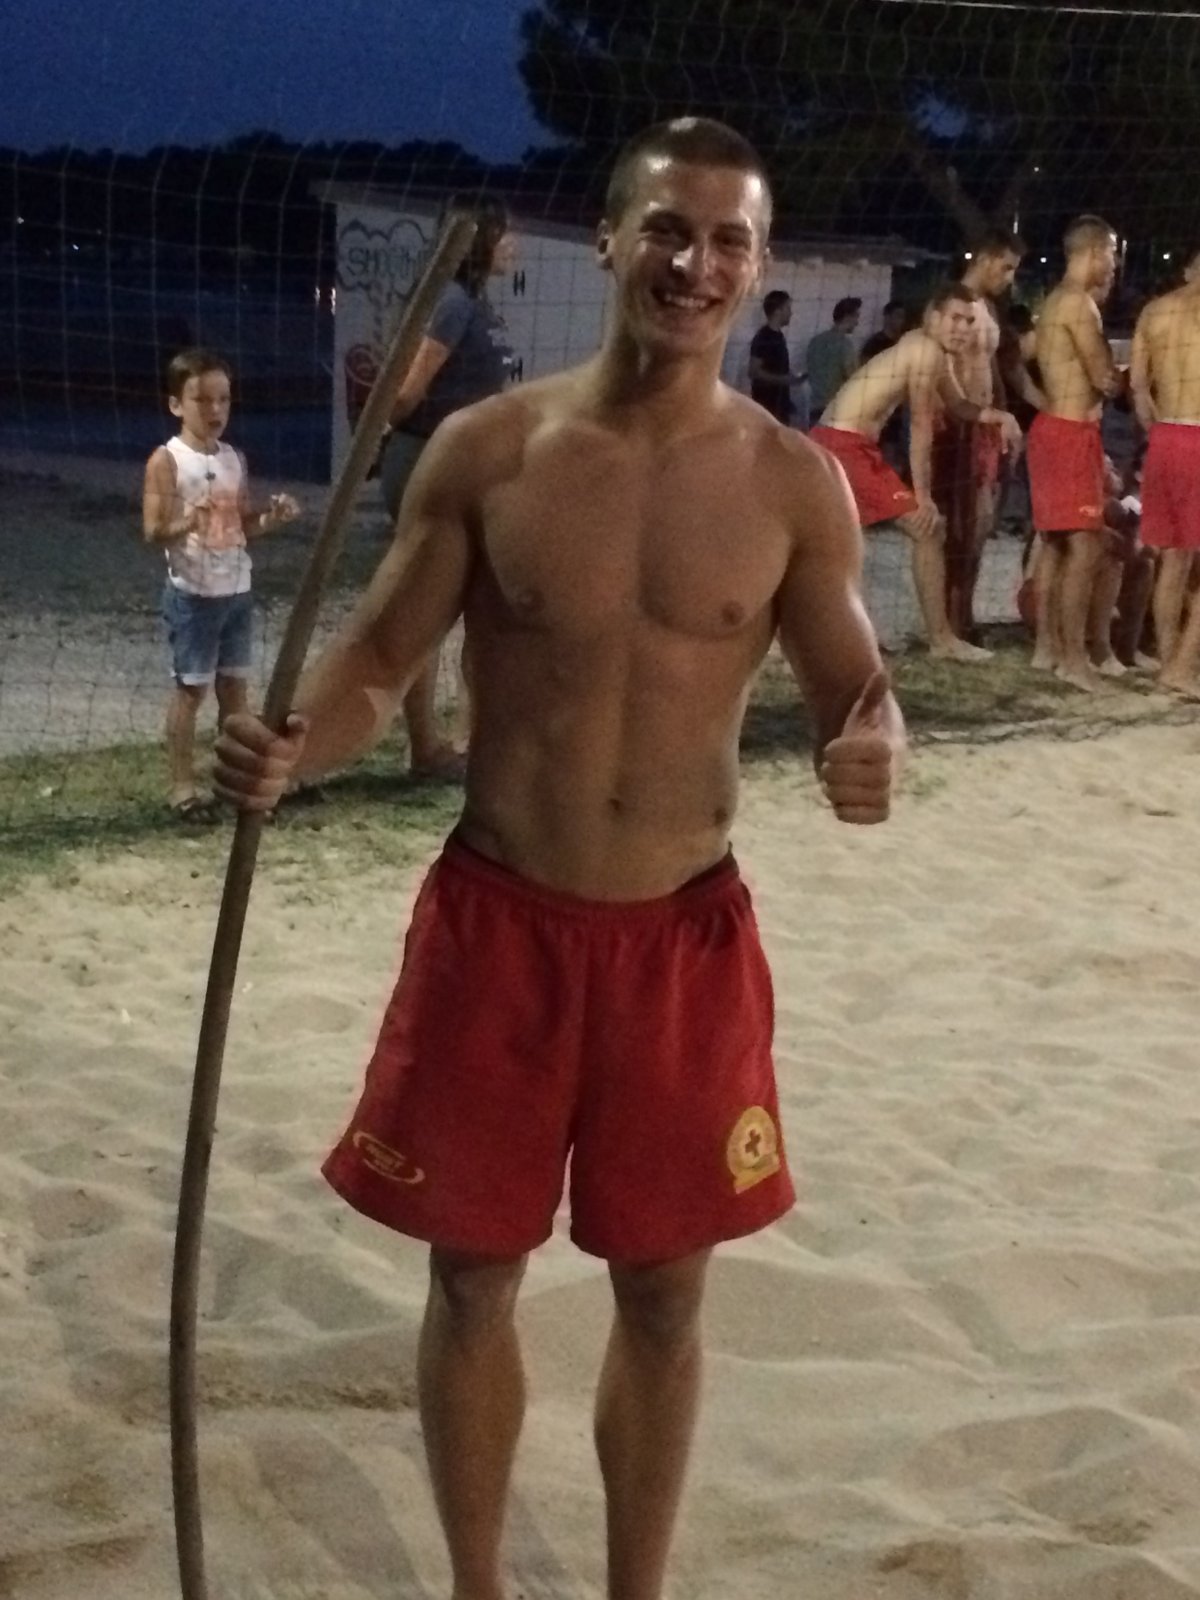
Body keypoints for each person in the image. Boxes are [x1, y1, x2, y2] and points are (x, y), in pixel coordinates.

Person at [214, 116, 904, 1600]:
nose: (695, 263)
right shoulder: (493, 450)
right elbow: (377, 664)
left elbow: (858, 685)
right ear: (607, 239)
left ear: (759, 266)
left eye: (727, 240)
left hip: (681, 943)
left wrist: (875, 746)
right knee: (473, 1274)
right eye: (668, 229)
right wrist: (296, 748)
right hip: (498, 928)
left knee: (664, 1292)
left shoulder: (794, 483)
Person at [376, 198, 518, 777]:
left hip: (468, 468)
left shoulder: (473, 300)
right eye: (506, 234)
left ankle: (465, 739)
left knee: (481, 603)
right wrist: (387, 428)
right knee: (430, 606)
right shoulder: (453, 302)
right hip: (430, 464)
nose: (514, 244)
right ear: (480, 240)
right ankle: (426, 747)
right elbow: (406, 392)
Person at [810, 284, 1021, 662]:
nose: (963, 329)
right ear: (933, 317)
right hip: (843, 446)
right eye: (955, 319)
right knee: (928, 528)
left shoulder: (926, 348)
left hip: (841, 443)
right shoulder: (925, 352)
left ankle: (824, 637)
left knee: (834, 546)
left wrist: (998, 416)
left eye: (969, 322)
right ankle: (941, 640)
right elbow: (921, 428)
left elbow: (958, 405)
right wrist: (922, 497)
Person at [142, 348, 299, 822]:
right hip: (192, 594)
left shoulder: (234, 458)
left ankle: (239, 786)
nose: (214, 410)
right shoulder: (166, 460)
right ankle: (182, 787)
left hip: (236, 590)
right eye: (202, 400)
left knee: (235, 692)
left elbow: (241, 525)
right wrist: (186, 521)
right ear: (176, 404)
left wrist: (272, 517)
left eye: (223, 399)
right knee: (191, 692)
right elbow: (152, 531)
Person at [1026, 215, 1124, 691]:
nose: (1115, 263)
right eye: (1113, 252)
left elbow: (1022, 356)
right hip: (1070, 432)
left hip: (1051, 427)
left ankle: (1047, 649)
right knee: (1085, 546)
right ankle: (1073, 659)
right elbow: (1104, 377)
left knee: (1055, 544)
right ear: (1094, 251)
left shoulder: (1053, 301)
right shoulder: (1079, 304)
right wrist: (1122, 373)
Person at [934, 230, 1027, 641]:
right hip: (959, 426)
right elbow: (937, 370)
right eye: (1006, 268)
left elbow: (992, 371)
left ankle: (964, 615)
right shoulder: (950, 306)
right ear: (986, 259)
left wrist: (1007, 418)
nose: (1009, 278)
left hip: (987, 427)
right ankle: (950, 621)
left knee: (982, 526)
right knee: (960, 527)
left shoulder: (988, 308)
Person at [1130, 245, 1200, 697]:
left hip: (1164, 438)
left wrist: (1158, 432)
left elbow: (1138, 388)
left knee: (1173, 559)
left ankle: (1169, 665)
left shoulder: (1153, 312)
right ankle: (1182, 667)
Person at [747, 288, 803, 423]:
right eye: (788, 308)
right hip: (767, 408)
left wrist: (792, 377)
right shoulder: (764, 337)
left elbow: (776, 367)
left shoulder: (779, 336)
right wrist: (782, 380)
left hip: (779, 405)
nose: (791, 313)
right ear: (777, 311)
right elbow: (753, 372)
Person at [805, 296, 861, 422]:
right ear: (847, 317)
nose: (857, 323)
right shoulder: (845, 344)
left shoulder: (815, 342)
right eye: (856, 317)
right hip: (837, 410)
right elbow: (853, 377)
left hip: (815, 409)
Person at [860, 300, 907, 364]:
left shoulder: (902, 343)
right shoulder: (874, 344)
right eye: (898, 316)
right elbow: (866, 366)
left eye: (903, 317)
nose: (902, 320)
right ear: (887, 317)